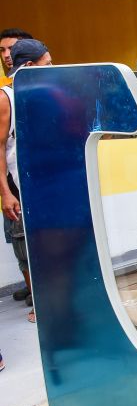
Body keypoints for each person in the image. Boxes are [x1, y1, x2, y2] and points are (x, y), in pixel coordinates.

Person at [0, 39, 53, 324]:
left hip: (47, 185)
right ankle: (41, 306)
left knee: (53, 244)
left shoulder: (44, 94)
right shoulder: (5, 98)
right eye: (47, 63)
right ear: (30, 66)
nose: (52, 68)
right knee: (27, 249)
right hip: (19, 188)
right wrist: (6, 193)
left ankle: (57, 301)